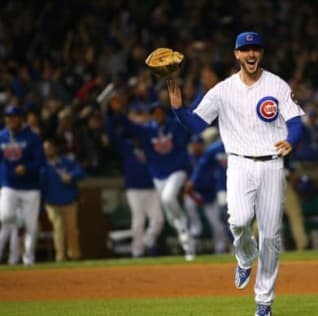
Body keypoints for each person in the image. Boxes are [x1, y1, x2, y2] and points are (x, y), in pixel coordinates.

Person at [167, 31, 304, 316]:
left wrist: (291, 139)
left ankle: (263, 303)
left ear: (261, 54)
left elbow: (294, 121)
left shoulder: (276, 85)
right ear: (236, 55)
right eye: (245, 50)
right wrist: (179, 110)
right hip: (239, 163)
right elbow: (195, 125)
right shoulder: (222, 90)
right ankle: (244, 256)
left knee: (270, 236)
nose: (251, 54)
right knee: (239, 221)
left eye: (255, 49)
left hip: (272, 164)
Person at [107, 100, 195, 261]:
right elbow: (126, 125)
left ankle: (183, 226)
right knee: (168, 216)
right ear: (152, 115)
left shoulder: (175, 126)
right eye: (154, 112)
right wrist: (115, 112)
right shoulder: (146, 131)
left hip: (177, 171)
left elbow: (190, 117)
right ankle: (187, 242)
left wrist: (201, 94)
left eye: (160, 111)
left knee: (168, 198)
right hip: (158, 176)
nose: (158, 114)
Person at [106, 103, 165, 258]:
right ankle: (137, 252)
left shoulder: (150, 141)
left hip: (151, 187)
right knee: (138, 221)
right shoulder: (126, 144)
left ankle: (146, 241)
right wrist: (111, 113)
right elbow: (111, 132)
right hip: (134, 188)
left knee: (158, 220)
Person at [0, 105, 45, 265]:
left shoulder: (32, 137)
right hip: (9, 184)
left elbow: (41, 161)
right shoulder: (1, 136)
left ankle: (29, 259)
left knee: (32, 227)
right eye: (8, 116)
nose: (11, 119)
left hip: (30, 187)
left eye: (14, 116)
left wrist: (27, 168)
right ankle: (18, 221)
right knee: (5, 216)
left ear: (21, 118)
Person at [41, 138, 85, 262]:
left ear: (54, 148)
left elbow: (81, 171)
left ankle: (74, 254)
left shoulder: (67, 161)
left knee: (72, 228)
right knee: (58, 227)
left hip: (69, 200)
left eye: (49, 148)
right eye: (44, 149)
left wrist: (71, 176)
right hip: (51, 202)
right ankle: (60, 257)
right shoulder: (42, 166)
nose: (47, 151)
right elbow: (39, 185)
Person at [185, 136, 230, 254]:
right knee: (189, 207)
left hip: (211, 194)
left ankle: (221, 249)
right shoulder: (192, 157)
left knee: (219, 223)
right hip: (197, 193)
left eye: (200, 143)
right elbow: (197, 170)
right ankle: (195, 231)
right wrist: (192, 182)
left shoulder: (210, 154)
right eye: (195, 144)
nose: (197, 146)